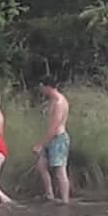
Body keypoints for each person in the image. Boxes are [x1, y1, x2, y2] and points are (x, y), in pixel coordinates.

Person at [33, 74, 71, 203]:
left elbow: (55, 127)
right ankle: (50, 195)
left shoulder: (60, 102)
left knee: (60, 170)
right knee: (41, 166)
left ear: (47, 87)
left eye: (42, 87)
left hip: (58, 139)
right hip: (52, 138)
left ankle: (65, 200)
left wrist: (41, 144)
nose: (41, 90)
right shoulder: (53, 101)